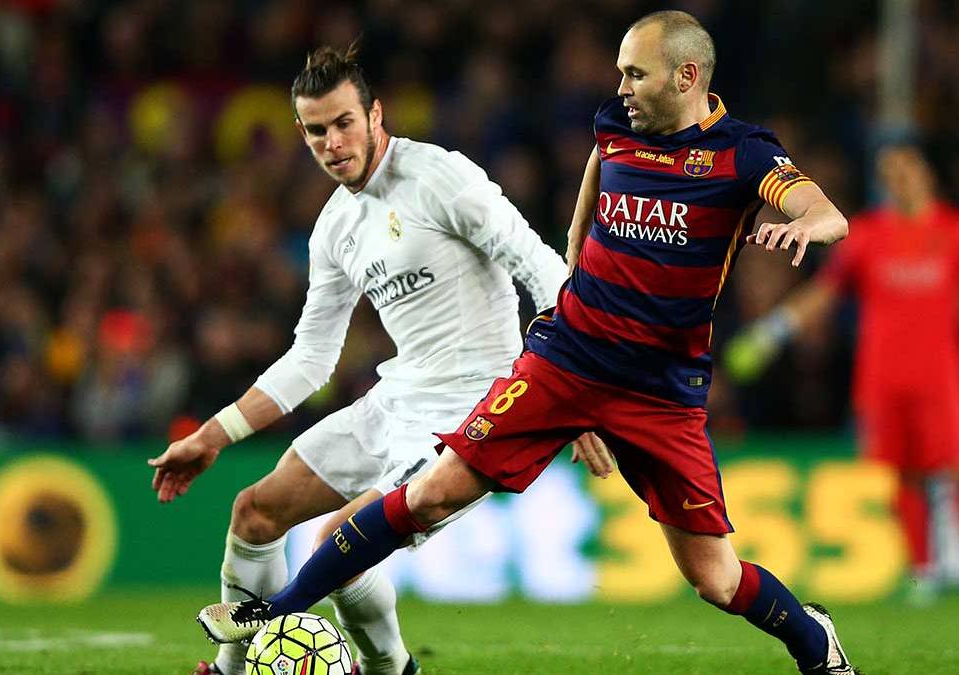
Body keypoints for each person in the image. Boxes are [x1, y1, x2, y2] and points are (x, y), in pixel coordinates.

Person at [198, 11, 858, 674]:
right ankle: (275, 609)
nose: (621, 86)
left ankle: (814, 640)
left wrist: (805, 227)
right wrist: (574, 287)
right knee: (430, 493)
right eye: (620, 71)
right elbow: (581, 225)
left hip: (659, 390)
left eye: (635, 73)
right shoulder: (616, 128)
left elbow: (824, 211)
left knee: (715, 578)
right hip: (564, 363)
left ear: (686, 77)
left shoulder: (742, 153)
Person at [148, 44, 570, 675]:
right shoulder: (334, 227)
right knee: (254, 513)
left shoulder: (439, 177)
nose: (333, 142)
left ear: (376, 115)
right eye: (316, 130)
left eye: (344, 122)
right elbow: (311, 359)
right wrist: (212, 435)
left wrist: (568, 385)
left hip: (474, 407)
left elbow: (541, 267)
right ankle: (232, 670)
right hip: (397, 398)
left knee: (337, 545)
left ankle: (391, 670)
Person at [723, 143, 959, 604]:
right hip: (884, 377)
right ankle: (923, 573)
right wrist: (772, 332)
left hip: (941, 376)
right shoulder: (866, 235)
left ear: (926, 175)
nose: (899, 179)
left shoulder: (958, 230)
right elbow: (824, 293)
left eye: (906, 170)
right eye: (889, 173)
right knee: (903, 475)